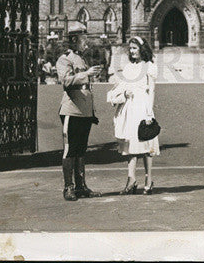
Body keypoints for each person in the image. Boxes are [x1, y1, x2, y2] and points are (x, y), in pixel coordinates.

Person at [107, 35, 159, 194]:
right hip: (129, 108)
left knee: (145, 144)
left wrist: (149, 113)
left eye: (135, 48)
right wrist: (122, 94)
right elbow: (122, 85)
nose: (132, 51)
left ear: (142, 49)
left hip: (142, 107)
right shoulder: (129, 67)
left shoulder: (149, 66)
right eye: (130, 48)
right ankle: (131, 179)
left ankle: (148, 179)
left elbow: (151, 90)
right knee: (130, 144)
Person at [56, 26, 102, 201]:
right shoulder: (64, 59)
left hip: (84, 111)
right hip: (71, 110)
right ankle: (68, 187)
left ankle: (81, 186)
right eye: (84, 39)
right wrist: (86, 74)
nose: (87, 42)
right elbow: (66, 81)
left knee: (81, 150)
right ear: (74, 39)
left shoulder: (81, 59)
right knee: (70, 150)